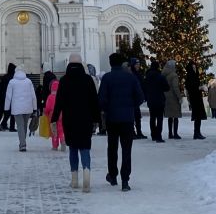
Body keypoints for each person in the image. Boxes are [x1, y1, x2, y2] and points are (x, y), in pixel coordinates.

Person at [52, 54, 99, 192]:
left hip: (69, 119)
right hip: (86, 119)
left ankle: (74, 179)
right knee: (85, 147)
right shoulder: (88, 80)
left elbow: (59, 102)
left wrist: (54, 118)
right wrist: (96, 119)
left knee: (72, 148)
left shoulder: (64, 80)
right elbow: (94, 101)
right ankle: (86, 173)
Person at [98, 51, 144, 191]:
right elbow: (140, 97)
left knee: (112, 148)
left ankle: (112, 175)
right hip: (127, 119)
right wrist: (131, 106)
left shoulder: (107, 78)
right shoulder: (130, 78)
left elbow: (101, 99)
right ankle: (125, 179)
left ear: (111, 63)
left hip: (112, 118)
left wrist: (106, 109)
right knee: (126, 149)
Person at [4, 66, 37, 151]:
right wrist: (35, 108)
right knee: (24, 125)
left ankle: (22, 144)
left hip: (17, 108)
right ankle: (23, 142)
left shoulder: (12, 82)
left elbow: (8, 96)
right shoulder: (28, 81)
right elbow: (33, 96)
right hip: (28, 107)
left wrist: (6, 108)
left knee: (20, 126)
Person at [143, 59, 169, 143]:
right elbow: (167, 88)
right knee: (159, 118)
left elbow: (144, 87)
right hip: (159, 100)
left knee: (152, 118)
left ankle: (153, 135)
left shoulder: (147, 76)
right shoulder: (160, 76)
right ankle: (158, 136)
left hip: (151, 99)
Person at [185, 62, 207, 140]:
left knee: (199, 116)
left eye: (195, 67)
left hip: (197, 97)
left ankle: (197, 132)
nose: (195, 68)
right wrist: (199, 88)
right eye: (193, 67)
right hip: (195, 98)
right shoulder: (190, 76)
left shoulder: (195, 75)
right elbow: (190, 87)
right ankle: (196, 133)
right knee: (197, 116)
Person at [163, 59, 183, 139]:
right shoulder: (174, 75)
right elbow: (175, 87)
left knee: (170, 116)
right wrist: (179, 97)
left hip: (166, 96)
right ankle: (175, 133)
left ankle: (170, 133)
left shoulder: (164, 74)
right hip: (173, 97)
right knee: (176, 116)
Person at [128, 56, 147, 138]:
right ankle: (133, 132)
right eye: (136, 64)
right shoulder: (131, 74)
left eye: (139, 63)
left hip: (137, 98)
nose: (138, 65)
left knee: (137, 116)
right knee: (133, 116)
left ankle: (139, 132)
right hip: (132, 99)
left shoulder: (138, 74)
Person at [43, 77, 65, 151]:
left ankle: (55, 146)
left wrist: (45, 112)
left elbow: (48, 107)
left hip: (52, 116)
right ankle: (62, 140)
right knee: (61, 129)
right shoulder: (62, 96)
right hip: (61, 115)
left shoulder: (50, 97)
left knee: (54, 131)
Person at [0, 63, 16, 131]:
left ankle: (1, 125)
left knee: (3, 113)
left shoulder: (5, 77)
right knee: (10, 112)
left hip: (2, 97)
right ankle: (6, 125)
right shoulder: (12, 77)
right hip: (8, 97)